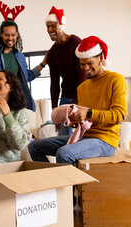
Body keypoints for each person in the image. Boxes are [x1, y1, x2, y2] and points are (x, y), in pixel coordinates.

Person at [28, 36, 127, 164]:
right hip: (83, 137)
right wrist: (75, 121)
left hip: (105, 141)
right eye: (82, 64)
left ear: (100, 58)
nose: (85, 68)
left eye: (89, 63)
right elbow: (85, 120)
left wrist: (88, 112)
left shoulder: (115, 79)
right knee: (35, 146)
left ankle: (66, 183)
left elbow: (119, 116)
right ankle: (52, 180)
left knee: (63, 153)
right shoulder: (82, 87)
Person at [0, 1, 47, 112]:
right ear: (1, 34)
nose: (10, 38)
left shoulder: (19, 56)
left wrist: (43, 64)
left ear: (17, 34)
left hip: (16, 101)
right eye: (7, 35)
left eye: (13, 34)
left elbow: (26, 76)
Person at [45, 6, 86, 136]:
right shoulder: (52, 53)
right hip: (65, 98)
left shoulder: (75, 43)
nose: (50, 30)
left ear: (61, 25)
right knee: (63, 137)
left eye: (53, 26)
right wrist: (54, 108)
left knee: (83, 134)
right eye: (48, 26)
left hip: (81, 96)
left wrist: (75, 104)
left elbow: (82, 78)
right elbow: (54, 83)